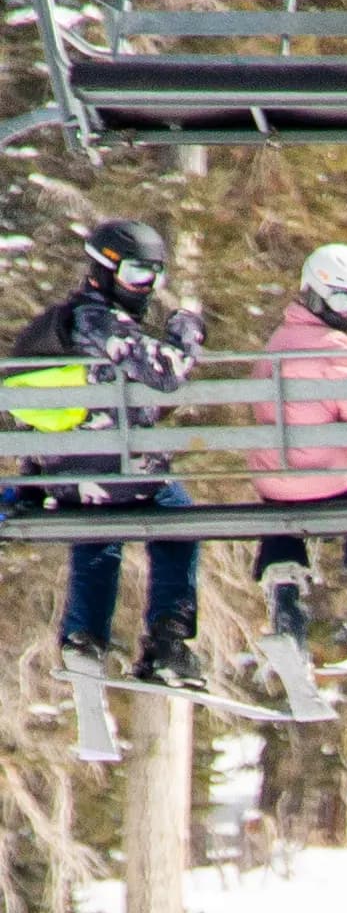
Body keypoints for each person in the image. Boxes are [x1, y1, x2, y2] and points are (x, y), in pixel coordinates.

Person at [7, 217, 206, 690]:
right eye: (136, 274)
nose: (146, 287)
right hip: (121, 476)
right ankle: (167, 641)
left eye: (154, 275)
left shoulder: (57, 326)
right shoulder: (99, 322)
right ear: (103, 270)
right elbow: (165, 372)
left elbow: (39, 417)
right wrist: (187, 331)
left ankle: (84, 640)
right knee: (179, 518)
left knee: (97, 529)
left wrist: (31, 478)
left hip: (71, 481)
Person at [249, 243, 347, 664]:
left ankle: (285, 609)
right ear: (316, 293)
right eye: (346, 302)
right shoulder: (335, 348)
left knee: (280, 510)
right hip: (334, 483)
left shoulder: (275, 344)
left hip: (277, 486)